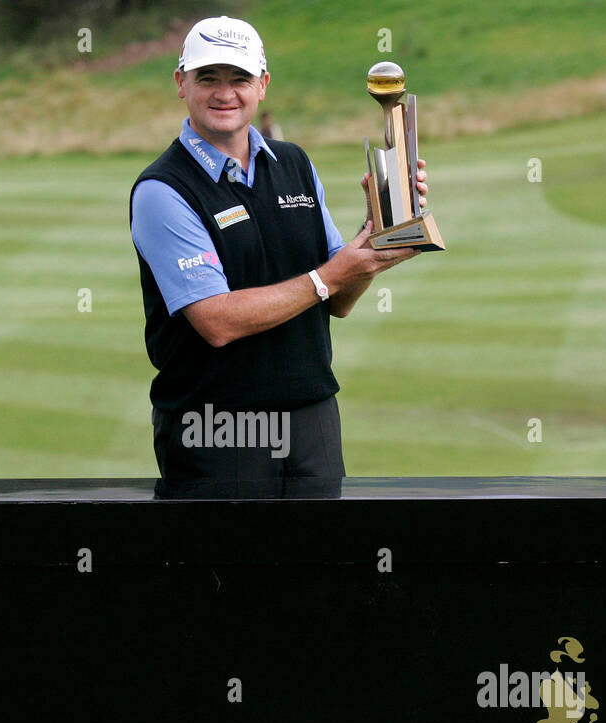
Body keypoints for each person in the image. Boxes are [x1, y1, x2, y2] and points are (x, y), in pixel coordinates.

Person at [129, 15, 428, 497]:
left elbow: (340, 299)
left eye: (240, 79)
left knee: (322, 569)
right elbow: (216, 321)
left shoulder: (294, 164)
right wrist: (330, 276)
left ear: (262, 85)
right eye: (208, 78)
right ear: (181, 83)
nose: (224, 93)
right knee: (231, 573)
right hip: (216, 428)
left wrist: (381, 229)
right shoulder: (163, 189)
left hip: (312, 418)